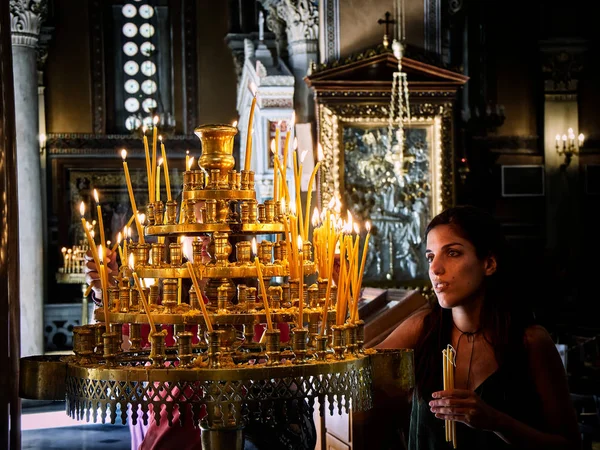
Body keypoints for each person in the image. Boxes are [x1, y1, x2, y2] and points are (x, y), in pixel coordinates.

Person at [377, 205, 581, 449]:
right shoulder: (423, 329)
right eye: (431, 256)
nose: (434, 268)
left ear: (489, 264)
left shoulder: (530, 341)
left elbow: (569, 444)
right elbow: (354, 377)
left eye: (452, 253)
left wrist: (496, 421)